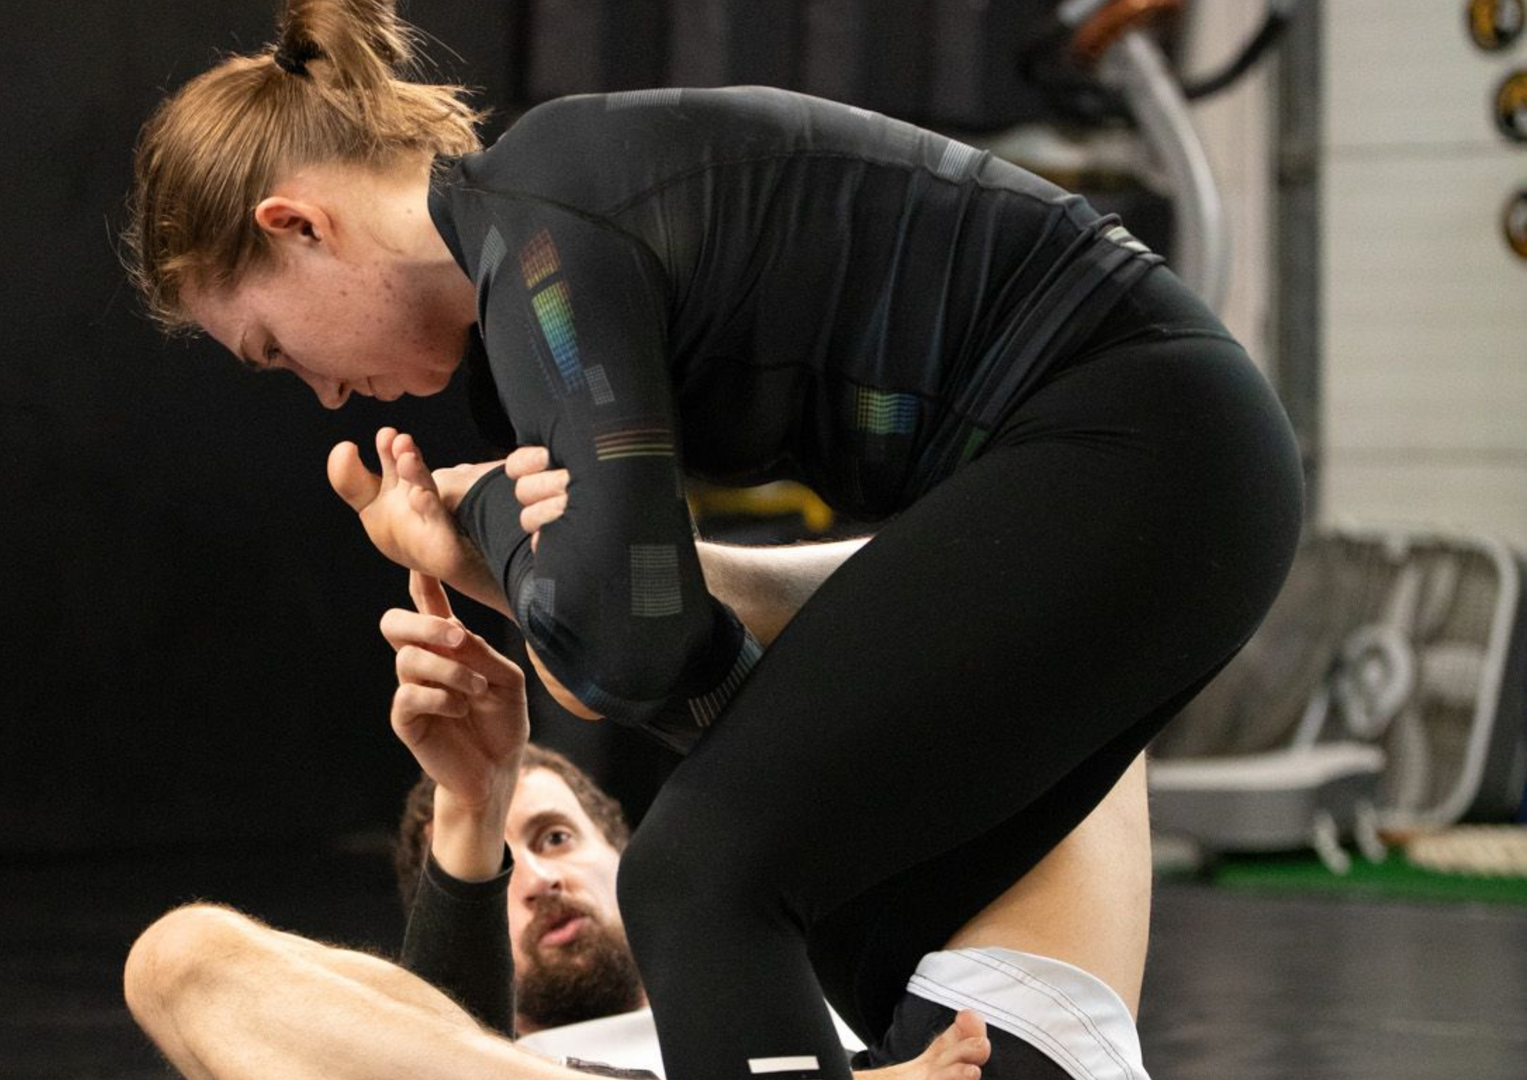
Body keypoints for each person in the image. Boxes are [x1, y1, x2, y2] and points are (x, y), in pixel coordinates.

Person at [122, 2, 1303, 1075]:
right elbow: (681, 665)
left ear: (298, 227)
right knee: (841, 907)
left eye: (277, 350)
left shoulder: (540, 225)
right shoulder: (519, 319)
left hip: (1142, 438)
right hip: (1157, 461)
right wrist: (498, 555)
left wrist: (482, 520)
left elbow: (624, 646)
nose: (328, 397)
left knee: (692, 876)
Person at [124, 562, 1156, 1080]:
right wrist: (469, 810)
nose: (537, 878)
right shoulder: (490, 1048)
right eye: (510, 865)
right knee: (173, 955)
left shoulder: (869, 996)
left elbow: (1030, 605)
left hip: (906, 1048)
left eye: (560, 837)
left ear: (628, 853)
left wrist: (578, 574)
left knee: (1059, 655)